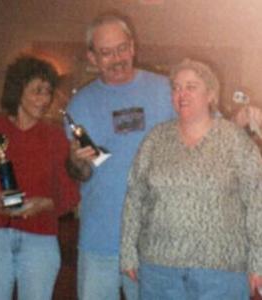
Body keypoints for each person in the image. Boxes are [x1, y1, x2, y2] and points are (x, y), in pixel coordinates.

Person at [120, 58, 262, 300]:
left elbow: (257, 203)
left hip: (221, 274)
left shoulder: (236, 141)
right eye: (176, 87)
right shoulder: (155, 140)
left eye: (191, 86)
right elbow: (134, 199)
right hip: (159, 271)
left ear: (211, 95)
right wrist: (127, 251)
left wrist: (258, 262)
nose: (181, 94)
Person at [65, 13, 176, 300]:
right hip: (100, 239)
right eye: (106, 53)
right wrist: (78, 163)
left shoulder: (167, 89)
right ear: (91, 57)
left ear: (133, 46)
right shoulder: (80, 104)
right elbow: (83, 174)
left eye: (122, 48)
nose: (117, 59)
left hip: (155, 241)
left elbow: (208, 129)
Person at [0, 55, 80, 300]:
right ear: (18, 90)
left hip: (41, 240)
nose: (44, 99)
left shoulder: (56, 136)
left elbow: (70, 195)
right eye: (37, 91)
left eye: (48, 92)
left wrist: (44, 204)